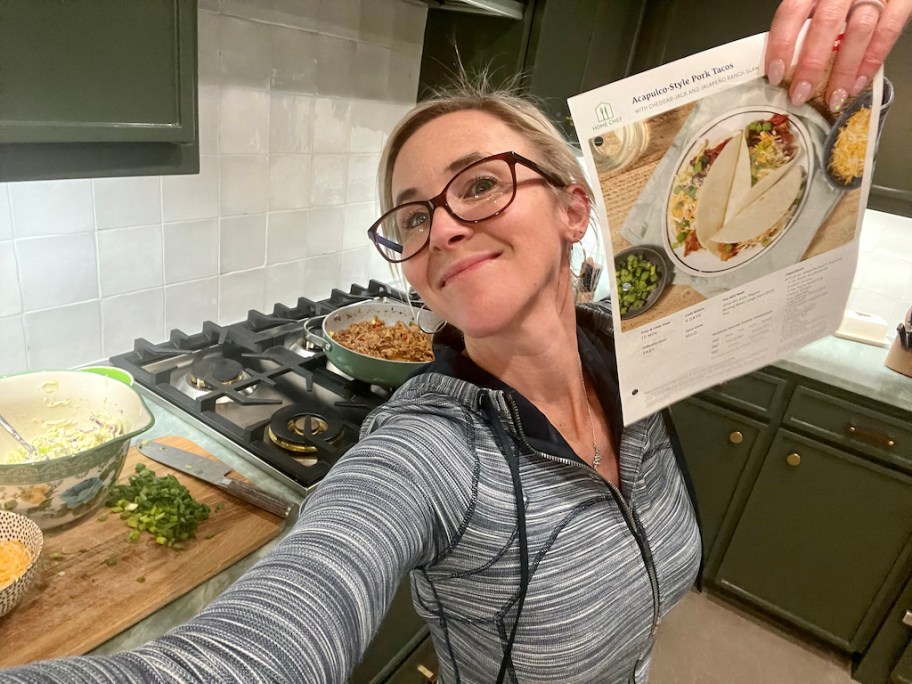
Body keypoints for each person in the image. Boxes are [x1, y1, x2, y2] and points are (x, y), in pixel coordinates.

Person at [2, 3, 908, 682]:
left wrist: (838, 64)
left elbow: (778, 197)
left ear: (573, 208)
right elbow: (257, 647)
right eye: (412, 215)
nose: (442, 227)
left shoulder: (648, 352)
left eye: (479, 185)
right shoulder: (431, 446)